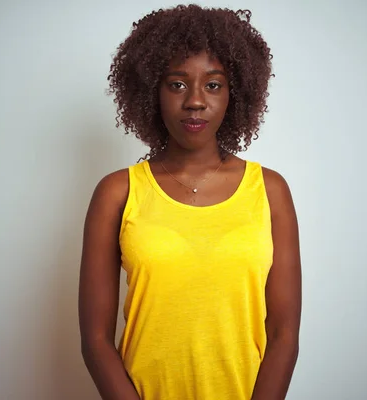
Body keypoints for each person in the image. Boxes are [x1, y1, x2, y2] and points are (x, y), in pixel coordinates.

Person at [79, 4, 301, 400]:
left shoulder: (269, 190)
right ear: (151, 90)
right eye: (177, 84)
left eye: (213, 84)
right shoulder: (118, 192)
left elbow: (284, 334)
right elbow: (95, 340)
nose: (195, 101)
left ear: (236, 93)